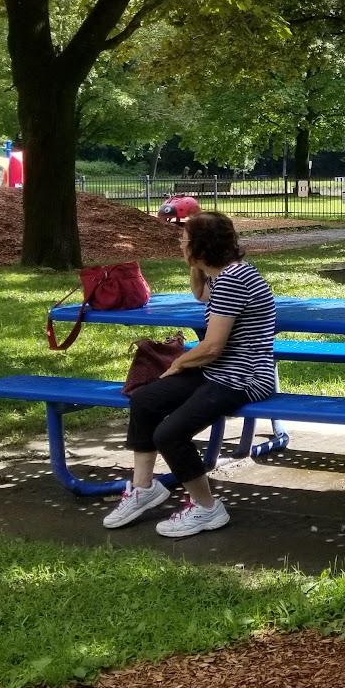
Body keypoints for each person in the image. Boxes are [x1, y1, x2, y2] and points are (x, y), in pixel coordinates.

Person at [104, 211, 277, 537]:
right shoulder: (225, 275)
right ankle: (143, 488)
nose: (179, 241)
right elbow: (202, 296)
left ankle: (208, 509)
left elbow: (212, 347)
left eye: (184, 238)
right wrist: (195, 265)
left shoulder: (233, 281)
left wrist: (178, 364)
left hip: (244, 378)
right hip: (218, 372)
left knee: (169, 434)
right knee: (144, 400)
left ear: (200, 246)